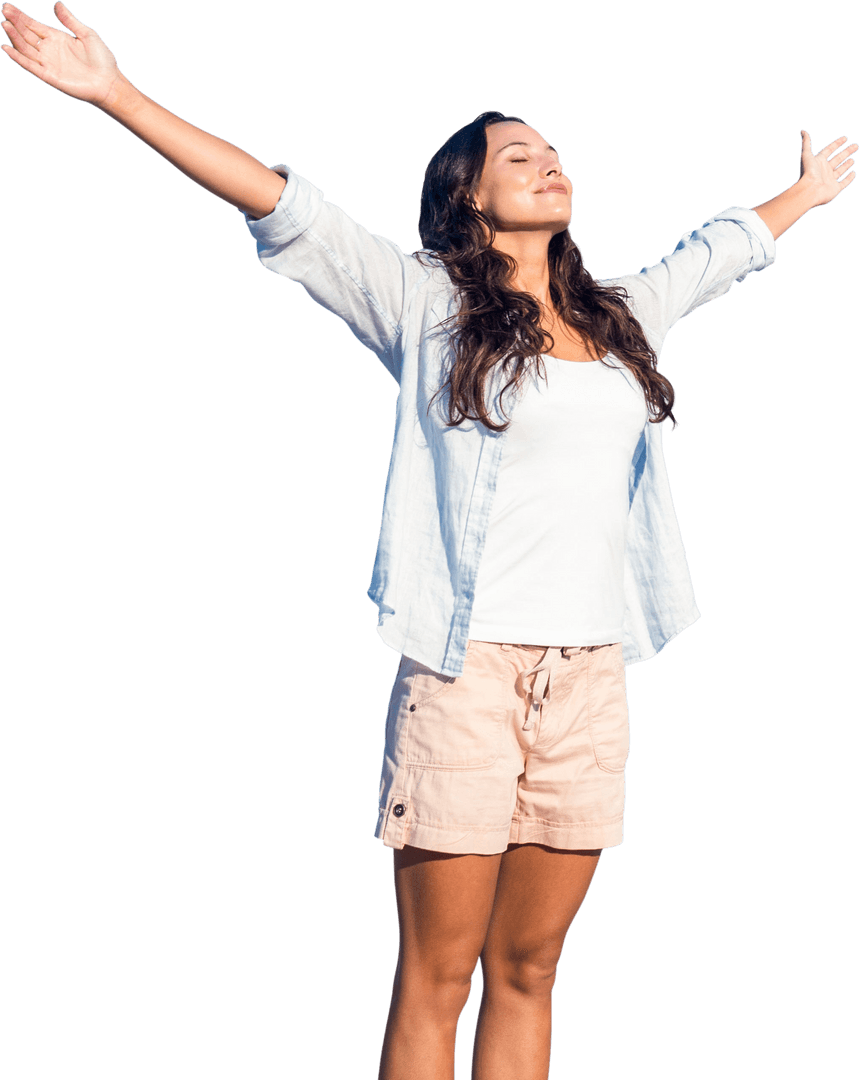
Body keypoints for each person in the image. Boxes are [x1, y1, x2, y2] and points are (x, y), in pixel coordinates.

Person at [2, 5, 855, 1079]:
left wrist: (803, 195)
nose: (549, 164)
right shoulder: (422, 305)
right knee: (437, 978)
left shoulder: (622, 318)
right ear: (469, 197)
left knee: (531, 969)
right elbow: (280, 202)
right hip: (465, 675)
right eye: (518, 156)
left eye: (553, 152)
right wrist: (117, 94)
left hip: (589, 678)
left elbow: (718, 251)